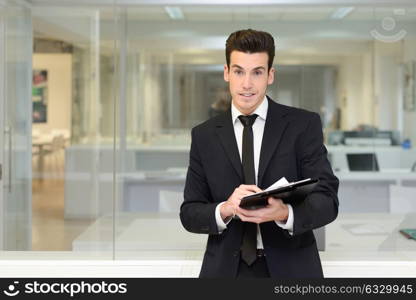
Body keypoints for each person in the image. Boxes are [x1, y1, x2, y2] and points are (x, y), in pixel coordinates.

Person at [180, 29, 339, 278]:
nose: (247, 84)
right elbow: (190, 212)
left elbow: (328, 200)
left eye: (257, 72)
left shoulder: (303, 125)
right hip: (225, 271)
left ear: (270, 75)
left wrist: (284, 213)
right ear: (226, 73)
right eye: (239, 71)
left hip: (293, 269)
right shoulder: (204, 135)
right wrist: (225, 208)